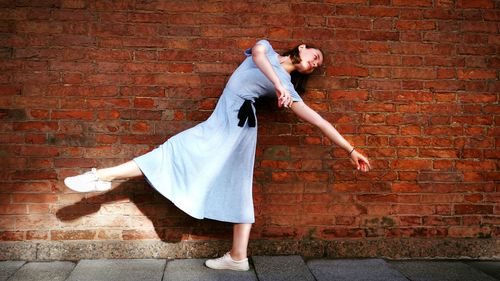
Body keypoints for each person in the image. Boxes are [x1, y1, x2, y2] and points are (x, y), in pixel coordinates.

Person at [64, 39, 371, 271]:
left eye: (317, 65)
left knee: (228, 182)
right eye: (314, 56)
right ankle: (100, 178)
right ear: (301, 48)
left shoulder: (290, 89)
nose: (315, 63)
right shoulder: (266, 48)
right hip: (222, 124)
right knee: (173, 152)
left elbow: (318, 120)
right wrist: (278, 85)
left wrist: (351, 149)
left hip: (240, 131)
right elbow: (262, 58)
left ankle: (237, 257)